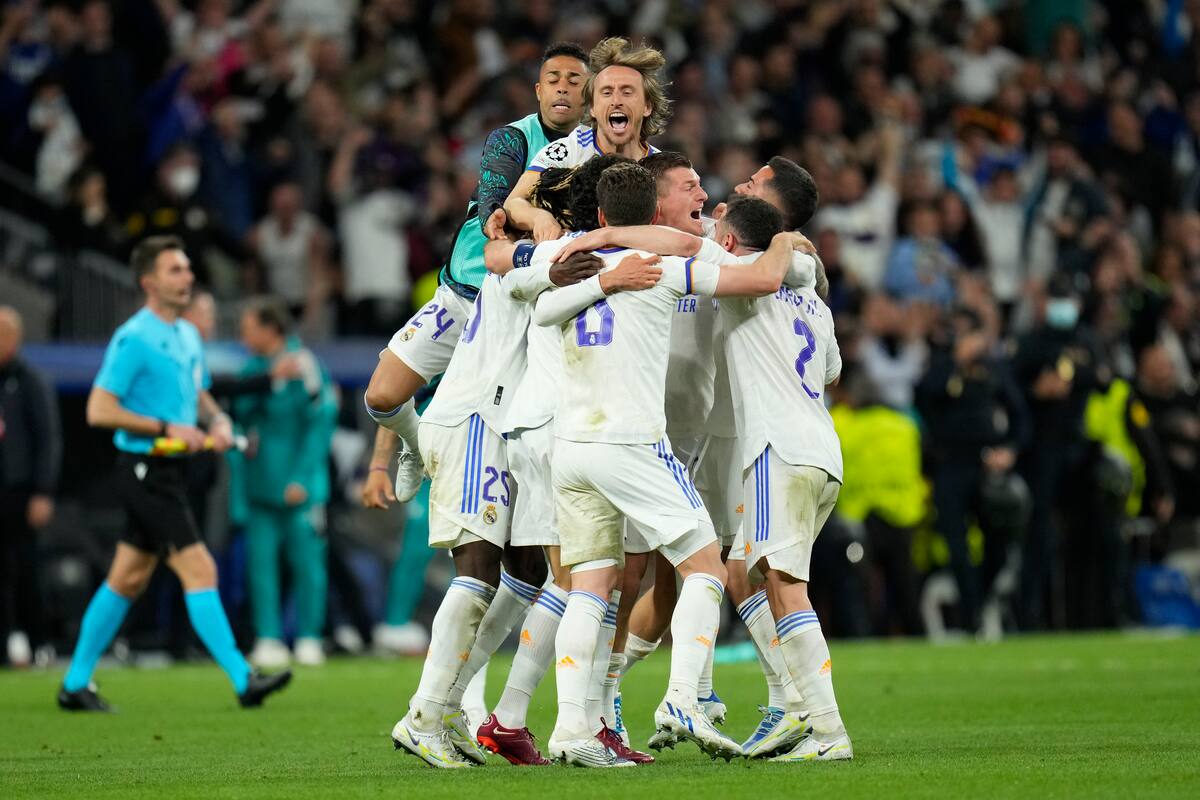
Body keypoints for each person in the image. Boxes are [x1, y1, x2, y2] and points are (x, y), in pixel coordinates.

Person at [527, 164, 805, 766]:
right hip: (633, 441)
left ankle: (573, 729)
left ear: (603, 215)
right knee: (706, 567)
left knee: (590, 587)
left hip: (571, 448)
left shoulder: (570, 266)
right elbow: (759, 280)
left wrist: (601, 277)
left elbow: (543, 312)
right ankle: (684, 697)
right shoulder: (661, 268)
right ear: (652, 214)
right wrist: (785, 240)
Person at [57, 235, 290, 712]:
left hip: (171, 470)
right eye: (175, 270)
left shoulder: (185, 334)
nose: (187, 277)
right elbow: (99, 410)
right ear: (148, 282)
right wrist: (166, 427)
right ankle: (243, 679)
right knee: (200, 568)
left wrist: (218, 422)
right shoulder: (134, 338)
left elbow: (198, 394)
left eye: (187, 268)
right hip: (144, 469)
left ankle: (75, 683)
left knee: (126, 578)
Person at [362, 42, 590, 507]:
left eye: (574, 81)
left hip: (522, 311)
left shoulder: (594, 151)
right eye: (554, 80)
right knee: (382, 395)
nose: (563, 89)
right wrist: (496, 217)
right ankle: (415, 444)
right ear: (539, 90)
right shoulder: (513, 137)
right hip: (466, 289)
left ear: (588, 94)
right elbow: (493, 190)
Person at [234, 298, 338, 669]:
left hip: (300, 488)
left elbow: (321, 423)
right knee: (260, 567)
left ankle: (309, 636)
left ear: (270, 329)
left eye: (249, 329)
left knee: (308, 565)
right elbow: (239, 415)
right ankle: (268, 637)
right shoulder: (252, 369)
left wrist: (302, 477)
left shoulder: (305, 365)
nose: (243, 338)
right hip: (261, 486)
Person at [0, 306, 61, 667]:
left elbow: (48, 439)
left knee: (27, 570)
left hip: (21, 492)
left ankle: (40, 643)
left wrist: (42, 491)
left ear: (14, 338)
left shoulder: (30, 381)